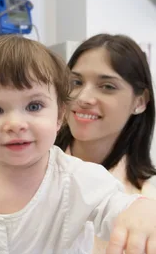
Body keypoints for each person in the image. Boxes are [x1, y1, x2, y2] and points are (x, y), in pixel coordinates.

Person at [0, 34, 156, 253]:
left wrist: (141, 209)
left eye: (34, 106)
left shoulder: (80, 179)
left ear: (60, 116)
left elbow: (116, 206)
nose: (15, 124)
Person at [55, 33, 156, 253]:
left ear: (139, 102)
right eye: (76, 82)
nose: (83, 97)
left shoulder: (147, 204)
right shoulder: (24, 172)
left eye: (107, 86)